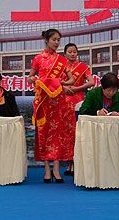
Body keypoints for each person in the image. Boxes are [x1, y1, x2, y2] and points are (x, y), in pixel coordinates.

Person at [28, 29, 75, 183]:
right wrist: (35, 80)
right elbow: (30, 77)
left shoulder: (62, 60)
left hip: (58, 101)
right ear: (47, 40)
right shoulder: (38, 59)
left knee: (57, 133)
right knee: (44, 133)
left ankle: (56, 168)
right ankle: (47, 169)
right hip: (43, 101)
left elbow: (72, 80)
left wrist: (59, 83)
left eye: (58, 40)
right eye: (54, 39)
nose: (56, 42)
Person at [62, 43, 93, 175]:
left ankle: (76, 162)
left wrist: (77, 88)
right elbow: (54, 82)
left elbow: (91, 82)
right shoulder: (61, 67)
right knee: (66, 133)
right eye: (69, 52)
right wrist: (63, 88)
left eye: (74, 52)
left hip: (77, 102)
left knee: (77, 132)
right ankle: (69, 163)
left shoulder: (83, 67)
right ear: (65, 54)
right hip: (63, 102)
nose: (72, 54)